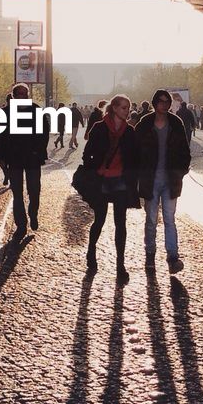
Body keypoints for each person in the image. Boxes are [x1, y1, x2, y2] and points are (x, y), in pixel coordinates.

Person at [80, 93, 139, 280]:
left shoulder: (129, 131)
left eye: (128, 108)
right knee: (99, 220)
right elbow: (87, 154)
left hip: (121, 181)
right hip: (102, 180)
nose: (127, 111)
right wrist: (95, 170)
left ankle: (120, 265)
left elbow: (135, 157)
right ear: (114, 108)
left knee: (120, 223)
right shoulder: (99, 128)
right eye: (123, 108)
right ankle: (91, 251)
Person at [135, 89, 191, 276]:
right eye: (161, 101)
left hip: (171, 180)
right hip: (150, 180)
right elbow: (134, 150)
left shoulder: (176, 123)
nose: (165, 104)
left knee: (170, 219)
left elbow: (185, 150)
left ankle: (173, 258)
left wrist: (181, 171)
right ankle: (150, 254)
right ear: (154, 103)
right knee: (151, 220)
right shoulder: (144, 124)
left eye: (167, 101)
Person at [0, 82, 49, 238]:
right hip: (14, 158)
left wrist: (37, 150)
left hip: (32, 158)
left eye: (25, 94)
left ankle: (33, 213)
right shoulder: (6, 113)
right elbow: (1, 136)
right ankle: (21, 225)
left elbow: (44, 134)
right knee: (17, 193)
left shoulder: (36, 110)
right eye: (20, 94)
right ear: (14, 96)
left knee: (34, 190)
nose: (23, 96)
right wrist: (0, 156)